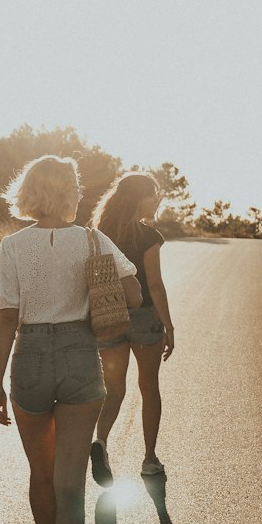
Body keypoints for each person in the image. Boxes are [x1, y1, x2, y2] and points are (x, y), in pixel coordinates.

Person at [0, 154, 142, 524]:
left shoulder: (11, 246)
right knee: (70, 484)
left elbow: (7, 316)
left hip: (30, 357)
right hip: (80, 355)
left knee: (41, 474)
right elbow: (134, 295)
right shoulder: (93, 240)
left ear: (30, 191)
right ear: (70, 191)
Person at [89, 172, 174, 484]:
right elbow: (154, 284)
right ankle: (150, 460)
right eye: (151, 194)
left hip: (108, 318)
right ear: (138, 198)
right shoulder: (148, 236)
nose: (155, 200)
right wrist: (169, 325)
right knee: (148, 388)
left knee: (114, 389)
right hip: (144, 318)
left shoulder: (98, 232)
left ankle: (100, 442)